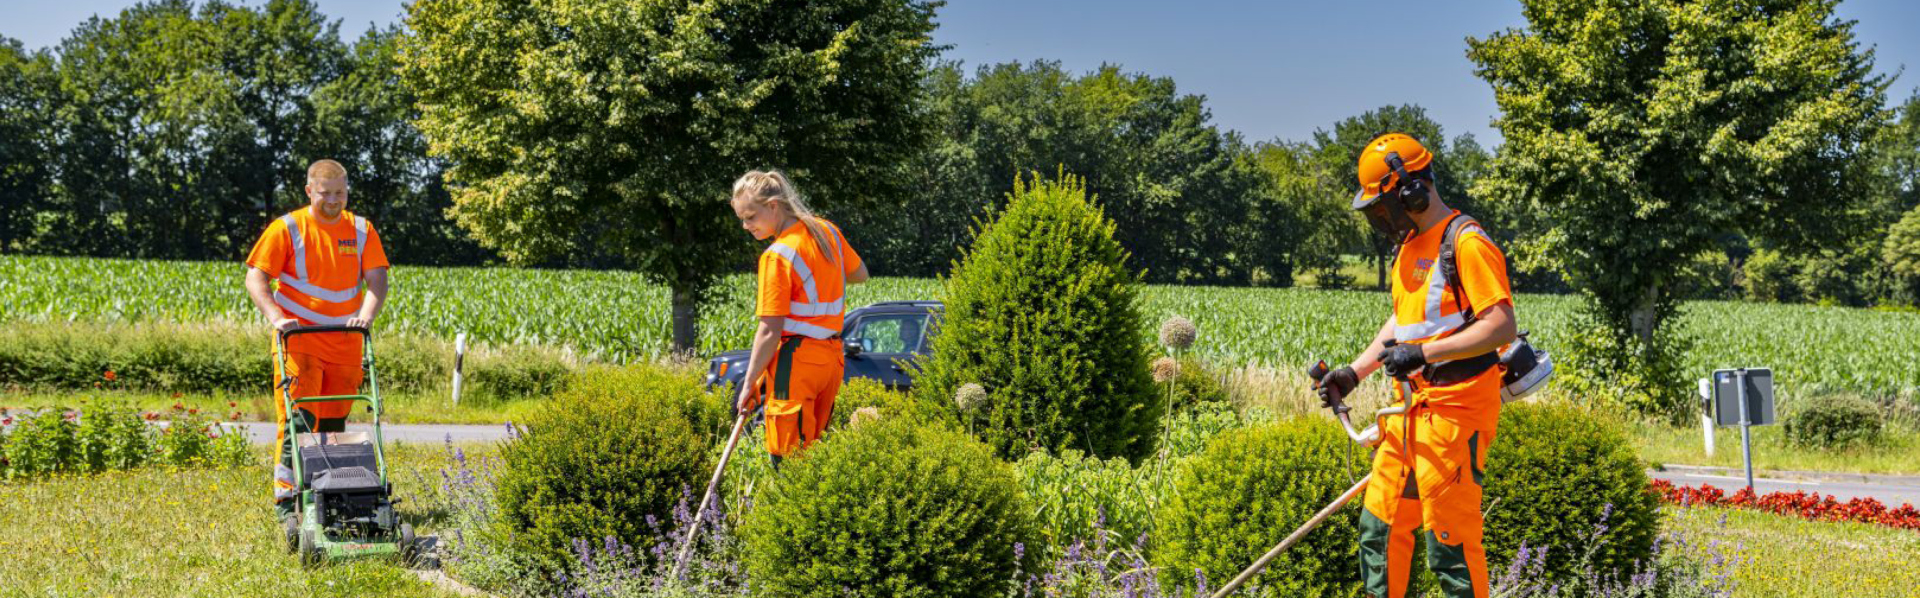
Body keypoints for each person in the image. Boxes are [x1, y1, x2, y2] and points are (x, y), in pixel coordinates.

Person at [1316, 134, 1517, 598]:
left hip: (1454, 414)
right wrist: (1354, 373)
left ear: (1412, 191)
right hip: (1407, 413)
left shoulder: (1466, 242)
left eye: (1382, 206)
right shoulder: (1409, 247)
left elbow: (1502, 325)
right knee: (1379, 529)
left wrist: (1426, 354)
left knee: (1450, 545)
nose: (1380, 219)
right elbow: (1404, 323)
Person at [243, 159, 390, 522]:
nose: (333, 201)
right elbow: (255, 278)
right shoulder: (287, 227)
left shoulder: (360, 229)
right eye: (325, 193)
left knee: (334, 424)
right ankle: (286, 501)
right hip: (300, 339)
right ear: (310, 191)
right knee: (298, 421)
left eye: (340, 193)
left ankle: (332, 492)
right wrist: (278, 318)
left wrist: (366, 317)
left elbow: (377, 281)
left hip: (346, 341)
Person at [728, 170, 868, 465]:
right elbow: (860, 273)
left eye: (751, 216)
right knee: (816, 459)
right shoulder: (827, 231)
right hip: (831, 361)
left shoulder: (778, 255)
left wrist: (748, 383)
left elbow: (769, 331)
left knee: (788, 462)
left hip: (797, 364)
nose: (745, 225)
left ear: (774, 206)